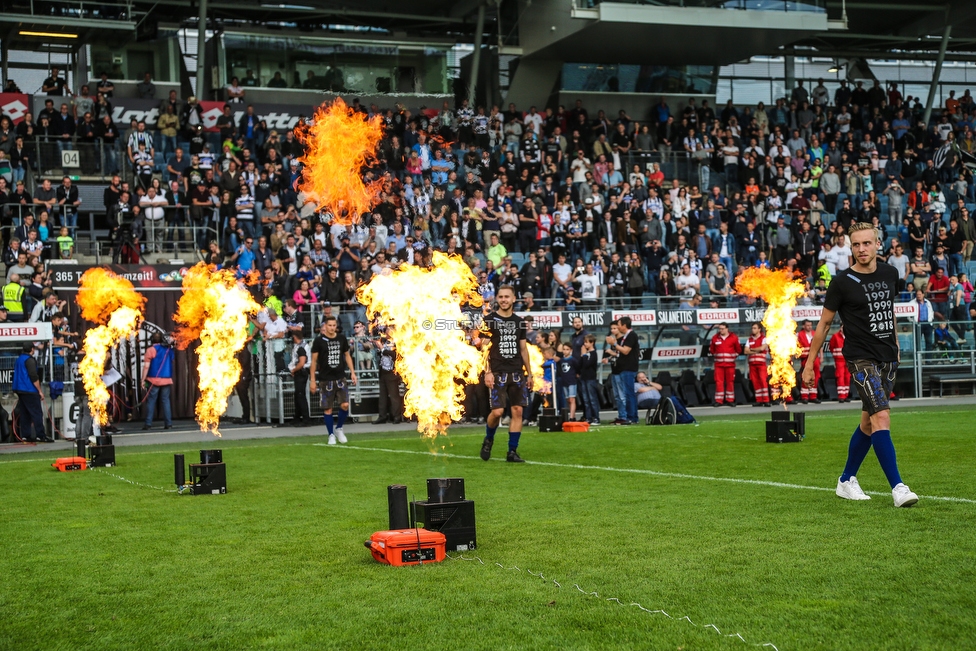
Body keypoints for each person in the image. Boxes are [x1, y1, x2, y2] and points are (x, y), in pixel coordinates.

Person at [802, 222, 918, 507]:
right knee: (882, 417)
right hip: (859, 357)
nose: (861, 249)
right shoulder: (841, 282)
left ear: (878, 244)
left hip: (887, 356)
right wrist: (809, 363)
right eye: (856, 245)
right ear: (850, 247)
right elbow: (825, 323)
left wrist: (897, 347)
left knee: (868, 422)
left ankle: (845, 480)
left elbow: (886, 313)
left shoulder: (891, 273)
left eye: (866, 243)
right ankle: (898, 488)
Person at [479, 285, 532, 463]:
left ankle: (512, 451)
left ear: (514, 299)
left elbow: (524, 349)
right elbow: (484, 348)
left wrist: (530, 374)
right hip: (497, 371)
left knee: (517, 411)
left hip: (517, 372)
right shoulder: (490, 320)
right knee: (498, 412)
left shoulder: (519, 322)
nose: (503, 300)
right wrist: (487, 372)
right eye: (500, 297)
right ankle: (489, 438)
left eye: (507, 297)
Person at [310, 316, 357, 445]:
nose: (332, 328)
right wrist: (313, 380)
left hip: (340, 377)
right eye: (329, 325)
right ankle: (331, 434)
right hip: (325, 379)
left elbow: (347, 356)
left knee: (345, 405)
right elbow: (313, 362)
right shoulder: (319, 341)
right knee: (328, 408)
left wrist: (353, 373)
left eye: (334, 325)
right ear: (324, 326)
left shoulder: (341, 338)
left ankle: (339, 428)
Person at [13, 342, 50, 442]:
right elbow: (33, 376)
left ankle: (25, 435)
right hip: (29, 389)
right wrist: (40, 391)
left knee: (25, 413)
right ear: (32, 349)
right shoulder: (29, 360)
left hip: (20, 389)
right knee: (36, 413)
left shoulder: (19, 359)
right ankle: (40, 435)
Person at [606, 316, 639, 424]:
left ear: (624, 326)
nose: (618, 327)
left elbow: (625, 351)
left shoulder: (632, 335)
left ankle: (632, 417)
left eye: (619, 325)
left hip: (629, 368)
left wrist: (614, 344)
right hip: (624, 369)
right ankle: (630, 417)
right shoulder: (627, 336)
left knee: (629, 394)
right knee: (627, 394)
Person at [142, 333, 174, 430]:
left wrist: (143, 380)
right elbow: (171, 360)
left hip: (153, 379)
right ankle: (168, 423)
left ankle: (148, 424)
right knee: (165, 401)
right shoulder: (169, 349)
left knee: (151, 401)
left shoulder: (150, 350)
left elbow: (146, 366)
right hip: (167, 378)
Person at [278, 330, 309, 427]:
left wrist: (294, 370)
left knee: (300, 396)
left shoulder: (301, 347)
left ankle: (305, 419)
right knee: (297, 396)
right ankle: (297, 418)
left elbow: (302, 362)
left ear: (295, 337)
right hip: (299, 372)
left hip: (301, 372)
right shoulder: (298, 346)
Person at [709, 322, 741, 407]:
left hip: (730, 365)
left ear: (727, 329)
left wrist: (733, 356)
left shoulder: (734, 337)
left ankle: (730, 400)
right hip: (719, 365)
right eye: (719, 329)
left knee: (730, 382)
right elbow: (712, 350)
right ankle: (719, 400)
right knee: (719, 382)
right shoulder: (715, 338)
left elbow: (738, 349)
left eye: (722, 329)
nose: (721, 330)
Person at [375, 334, 402, 424]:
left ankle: (396, 417)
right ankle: (382, 416)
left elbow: (395, 355)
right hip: (383, 372)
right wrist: (380, 350)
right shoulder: (385, 342)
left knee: (394, 396)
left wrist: (382, 349)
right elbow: (382, 355)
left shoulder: (397, 342)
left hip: (392, 373)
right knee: (382, 396)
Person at [745, 323, 770, 406]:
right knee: (755, 382)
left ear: (759, 329)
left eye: (755, 328)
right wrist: (757, 350)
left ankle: (766, 400)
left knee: (763, 381)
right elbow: (745, 351)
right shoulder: (749, 339)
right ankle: (759, 400)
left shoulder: (764, 338)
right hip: (752, 364)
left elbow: (762, 348)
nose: (753, 330)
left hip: (761, 364)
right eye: (752, 328)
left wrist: (751, 349)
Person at [797, 320, 821, 404]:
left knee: (816, 377)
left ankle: (813, 396)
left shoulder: (815, 333)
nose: (809, 327)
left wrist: (821, 356)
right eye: (807, 325)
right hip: (805, 359)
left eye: (810, 325)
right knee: (806, 376)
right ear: (803, 326)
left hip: (815, 359)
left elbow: (820, 345)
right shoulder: (800, 335)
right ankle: (804, 396)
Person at [578, 334, 600, 425]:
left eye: (587, 342)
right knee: (586, 399)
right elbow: (580, 365)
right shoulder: (586, 354)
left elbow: (587, 364)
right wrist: (582, 355)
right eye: (584, 342)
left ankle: (596, 418)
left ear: (592, 343)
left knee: (592, 399)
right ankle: (588, 417)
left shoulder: (593, 353)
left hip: (590, 378)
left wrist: (583, 355)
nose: (585, 344)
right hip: (583, 378)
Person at [557, 342, 579, 421]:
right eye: (564, 349)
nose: (565, 351)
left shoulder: (573, 360)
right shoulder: (562, 360)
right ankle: (572, 415)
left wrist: (577, 374)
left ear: (571, 350)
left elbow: (577, 368)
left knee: (572, 399)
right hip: (564, 382)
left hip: (571, 381)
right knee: (568, 400)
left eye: (567, 349)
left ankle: (572, 417)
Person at [829, 324, 851, 402]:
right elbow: (831, 347)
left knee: (847, 377)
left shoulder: (849, 336)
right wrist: (835, 356)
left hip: (848, 360)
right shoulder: (835, 336)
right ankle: (841, 396)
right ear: (840, 328)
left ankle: (846, 395)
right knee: (840, 377)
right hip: (839, 360)